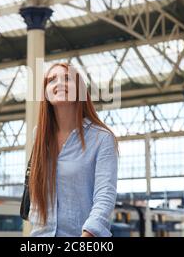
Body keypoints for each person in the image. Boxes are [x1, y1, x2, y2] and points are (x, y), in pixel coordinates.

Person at [28, 62, 118, 237]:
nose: (59, 83)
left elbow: (105, 196)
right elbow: (37, 195)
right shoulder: (38, 135)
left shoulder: (102, 138)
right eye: (52, 80)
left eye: (67, 78)